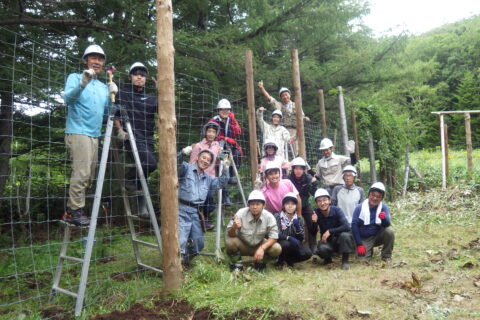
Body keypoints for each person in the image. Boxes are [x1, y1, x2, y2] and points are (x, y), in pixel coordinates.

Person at [62, 44, 117, 227]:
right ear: (86, 60)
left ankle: (75, 210)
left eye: (100, 59)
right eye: (93, 58)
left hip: (94, 135)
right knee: (82, 172)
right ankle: (73, 211)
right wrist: (82, 84)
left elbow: (106, 113)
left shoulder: (102, 87)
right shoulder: (75, 77)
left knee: (90, 176)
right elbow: (68, 99)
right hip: (78, 131)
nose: (97, 61)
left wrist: (112, 95)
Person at [114, 62, 157, 217]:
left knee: (145, 169)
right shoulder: (123, 93)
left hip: (148, 138)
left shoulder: (152, 98)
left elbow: (165, 110)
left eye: (143, 75)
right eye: (136, 74)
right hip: (131, 136)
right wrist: (119, 130)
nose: (139, 77)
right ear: (131, 76)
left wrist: (162, 90)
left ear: (145, 78)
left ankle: (142, 207)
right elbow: (115, 113)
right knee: (150, 163)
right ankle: (128, 179)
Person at [178, 146, 230, 266]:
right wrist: (182, 153)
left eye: (208, 160)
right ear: (197, 157)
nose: (205, 161)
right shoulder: (186, 168)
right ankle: (177, 267)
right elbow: (175, 164)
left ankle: (185, 259)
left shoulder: (208, 179)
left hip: (196, 213)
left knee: (199, 244)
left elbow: (221, 183)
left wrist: (226, 168)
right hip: (182, 210)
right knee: (180, 242)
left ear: (209, 164)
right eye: (203, 157)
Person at [226, 190, 281, 272]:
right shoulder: (240, 213)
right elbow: (231, 234)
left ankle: (260, 264)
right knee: (229, 241)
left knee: (277, 248)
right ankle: (237, 264)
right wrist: (234, 228)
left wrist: (262, 248)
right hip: (243, 244)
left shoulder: (269, 217)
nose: (254, 207)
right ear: (248, 205)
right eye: (252, 204)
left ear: (264, 205)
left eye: (258, 204)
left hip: (259, 244)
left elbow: (274, 237)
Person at [257, 81, 309, 155]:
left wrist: (304, 119)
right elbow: (270, 99)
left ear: (289, 95)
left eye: (286, 94)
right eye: (282, 96)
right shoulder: (280, 105)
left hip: (295, 131)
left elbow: (302, 116)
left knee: (297, 151)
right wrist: (262, 88)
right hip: (283, 131)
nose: (285, 97)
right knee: (281, 151)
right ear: (281, 97)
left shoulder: (297, 105)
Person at [189, 121, 222, 229]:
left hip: (211, 177)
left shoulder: (217, 145)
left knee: (210, 199)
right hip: (199, 177)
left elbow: (218, 158)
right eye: (209, 131)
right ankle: (198, 220)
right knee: (201, 199)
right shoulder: (199, 146)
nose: (211, 134)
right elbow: (192, 162)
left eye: (213, 132)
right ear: (205, 132)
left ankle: (206, 220)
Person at [312, 188, 355, 270]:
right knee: (321, 249)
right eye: (319, 201)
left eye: (324, 200)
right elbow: (313, 232)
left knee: (345, 235)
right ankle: (328, 259)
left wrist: (330, 231)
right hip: (328, 242)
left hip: (340, 240)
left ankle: (345, 261)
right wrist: (314, 222)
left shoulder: (337, 210)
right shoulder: (316, 213)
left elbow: (346, 226)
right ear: (316, 203)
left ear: (329, 201)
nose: (322, 203)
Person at [351, 182, 395, 262]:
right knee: (362, 260)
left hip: (377, 235)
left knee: (390, 231)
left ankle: (386, 256)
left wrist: (384, 218)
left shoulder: (383, 207)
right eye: (373, 195)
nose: (375, 198)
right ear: (369, 195)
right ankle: (368, 250)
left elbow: (387, 224)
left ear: (381, 198)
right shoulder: (359, 207)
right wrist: (359, 244)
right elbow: (354, 226)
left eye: (378, 197)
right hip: (364, 238)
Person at [274, 193, 312, 268]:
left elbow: (301, 238)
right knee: (286, 244)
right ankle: (280, 261)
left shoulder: (299, 219)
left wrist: (297, 228)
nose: (290, 206)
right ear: (283, 205)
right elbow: (275, 234)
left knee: (308, 253)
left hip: (294, 245)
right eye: (287, 203)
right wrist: (289, 238)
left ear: (296, 206)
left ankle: (289, 260)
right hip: (281, 243)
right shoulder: (277, 216)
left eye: (293, 204)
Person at [288, 157, 318, 250]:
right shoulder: (288, 179)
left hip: (305, 204)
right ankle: (295, 245)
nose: (298, 171)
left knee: (312, 221)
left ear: (304, 169)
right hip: (291, 205)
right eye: (296, 168)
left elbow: (314, 193)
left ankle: (313, 245)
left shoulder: (308, 178)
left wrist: (314, 183)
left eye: (300, 168)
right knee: (291, 224)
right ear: (293, 169)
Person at [210, 98, 242, 185]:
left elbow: (237, 132)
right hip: (218, 147)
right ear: (218, 110)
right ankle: (224, 194)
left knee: (237, 153)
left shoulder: (231, 120)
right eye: (222, 109)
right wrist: (225, 139)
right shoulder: (213, 121)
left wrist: (233, 120)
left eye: (227, 109)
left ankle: (232, 175)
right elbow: (211, 136)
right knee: (221, 167)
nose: (224, 111)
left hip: (230, 147)